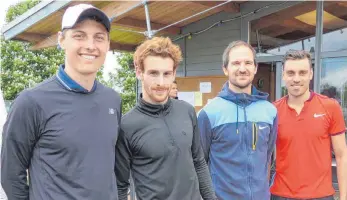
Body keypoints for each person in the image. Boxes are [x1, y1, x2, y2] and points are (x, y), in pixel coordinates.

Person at [1, 4, 121, 200]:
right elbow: (11, 175)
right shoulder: (31, 102)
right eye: (79, 35)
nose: (90, 45)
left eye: (99, 37)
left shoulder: (112, 100)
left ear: (107, 44)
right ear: (61, 40)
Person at [115, 37, 216, 200]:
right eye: (153, 73)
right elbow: (120, 186)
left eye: (167, 74)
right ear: (139, 72)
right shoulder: (126, 126)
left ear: (174, 73)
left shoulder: (187, 111)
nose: (161, 82)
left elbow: (199, 162)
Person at [197, 40, 278, 200]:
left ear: (255, 68)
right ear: (225, 69)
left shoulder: (270, 111)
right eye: (236, 63)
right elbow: (199, 164)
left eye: (248, 62)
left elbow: (267, 157)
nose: (242, 68)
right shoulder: (209, 113)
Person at [270, 50, 347, 200]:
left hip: (321, 195)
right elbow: (265, 157)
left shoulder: (330, 107)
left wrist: (344, 196)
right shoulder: (272, 110)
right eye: (291, 73)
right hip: (281, 194)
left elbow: (341, 155)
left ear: (311, 74)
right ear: (283, 75)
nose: (296, 79)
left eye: (302, 72)